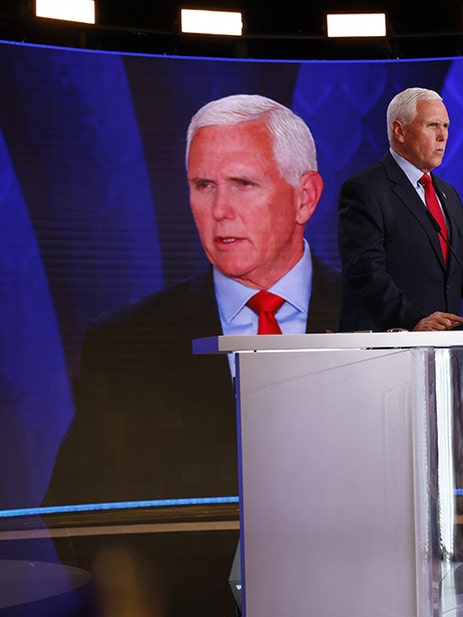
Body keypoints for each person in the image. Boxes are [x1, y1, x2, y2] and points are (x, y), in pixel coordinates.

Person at [43, 94, 341, 507]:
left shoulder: (380, 319)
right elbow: (75, 510)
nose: (220, 210)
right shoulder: (127, 343)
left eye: (243, 184)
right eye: (204, 185)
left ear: (304, 197)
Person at [338, 87, 463, 331]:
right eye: (432, 125)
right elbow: (365, 272)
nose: (443, 136)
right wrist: (412, 322)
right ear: (399, 131)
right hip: (387, 349)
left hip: (443, 349)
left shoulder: (448, 194)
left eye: (446, 126)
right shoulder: (365, 189)